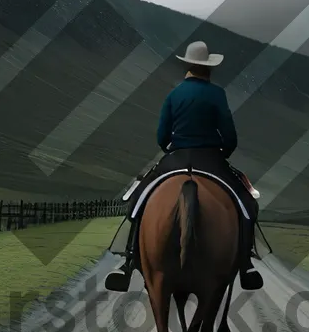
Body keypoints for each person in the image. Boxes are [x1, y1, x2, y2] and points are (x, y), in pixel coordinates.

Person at [104, 39, 263, 292]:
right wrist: (222, 152)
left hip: (175, 158)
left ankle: (128, 259)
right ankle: (245, 264)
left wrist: (172, 149)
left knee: (138, 200)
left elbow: (161, 136)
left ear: (187, 66)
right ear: (209, 68)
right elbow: (230, 137)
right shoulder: (217, 94)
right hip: (212, 159)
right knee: (246, 204)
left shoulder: (173, 94)